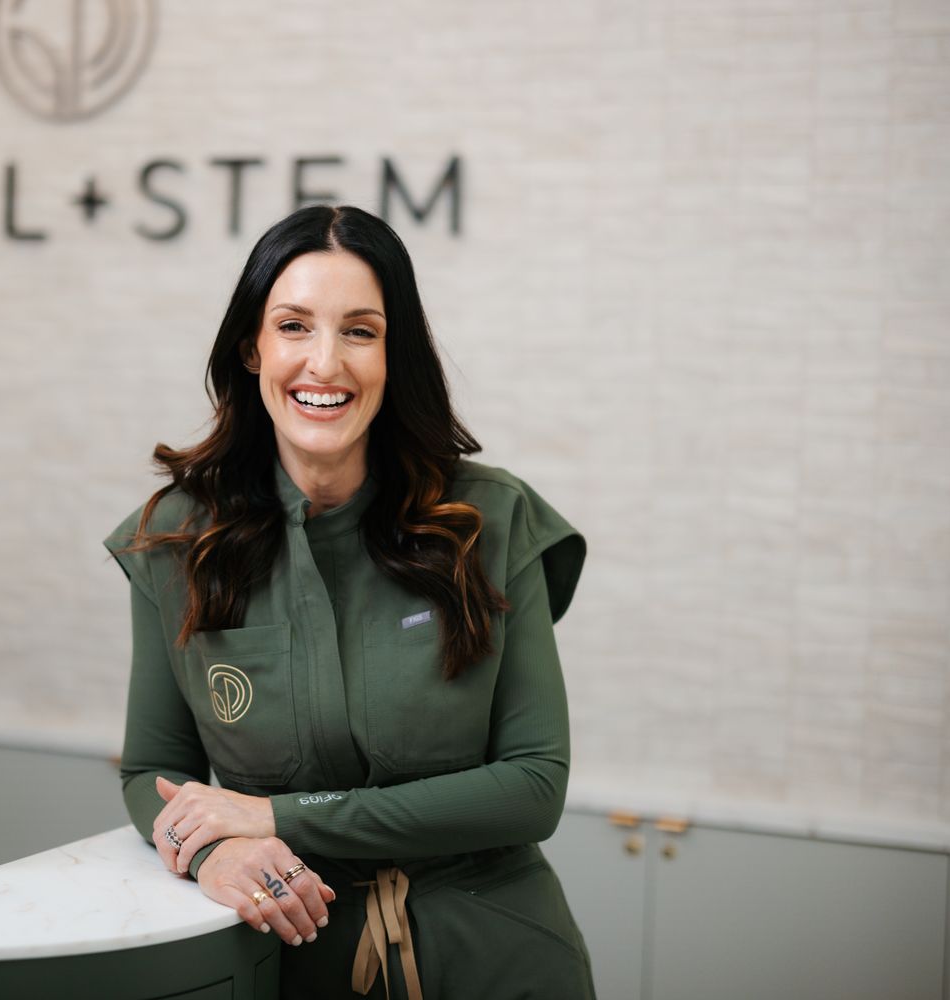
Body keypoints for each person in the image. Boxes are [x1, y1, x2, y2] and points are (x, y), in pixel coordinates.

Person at [104, 205, 594, 999]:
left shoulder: (492, 523)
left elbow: (534, 786)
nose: (323, 364)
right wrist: (212, 852)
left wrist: (279, 817)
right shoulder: (175, 539)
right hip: (288, 958)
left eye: (360, 331)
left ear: (394, 356)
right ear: (252, 348)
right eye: (294, 326)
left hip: (498, 958)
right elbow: (155, 770)